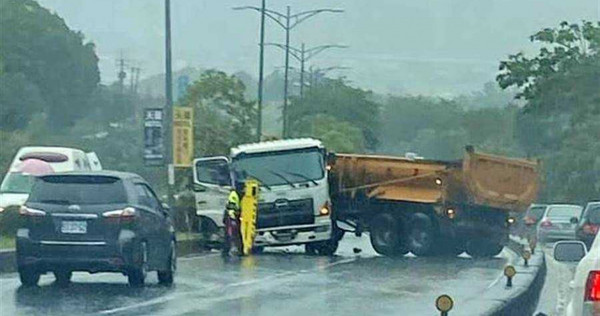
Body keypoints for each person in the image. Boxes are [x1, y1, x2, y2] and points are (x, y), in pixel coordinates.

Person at [222, 190, 242, 257]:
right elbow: (231, 207)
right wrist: (232, 217)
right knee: (231, 234)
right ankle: (228, 250)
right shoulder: (234, 195)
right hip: (232, 217)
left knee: (234, 234)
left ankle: (236, 249)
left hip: (236, 216)